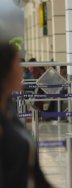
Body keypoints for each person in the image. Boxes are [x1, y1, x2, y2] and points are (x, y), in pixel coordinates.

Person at [0, 43, 52, 187]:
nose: (22, 71)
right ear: (5, 73)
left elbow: (35, 176)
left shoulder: (11, 111)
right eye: (17, 65)